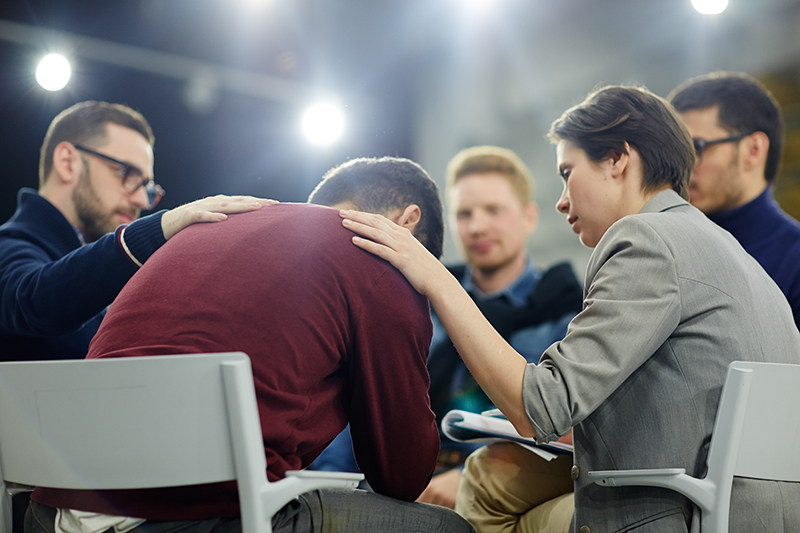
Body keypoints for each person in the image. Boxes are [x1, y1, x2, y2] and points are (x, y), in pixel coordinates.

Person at [340, 86, 800, 532]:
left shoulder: (646, 238)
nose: (561, 201)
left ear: (618, 159)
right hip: (747, 507)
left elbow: (542, 406)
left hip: (678, 510)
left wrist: (436, 277)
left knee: (488, 491)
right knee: (490, 475)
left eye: (566, 172)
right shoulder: (731, 251)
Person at [26, 157, 474, 533]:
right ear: (408, 223)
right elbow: (402, 475)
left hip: (49, 506)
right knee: (449, 528)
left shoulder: (206, 228)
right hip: (192, 515)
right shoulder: (385, 265)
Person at [0, 100, 272, 362]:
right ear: (67, 162)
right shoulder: (9, 246)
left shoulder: (97, 274)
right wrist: (153, 231)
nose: (142, 201)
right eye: (127, 173)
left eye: (147, 187)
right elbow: (33, 301)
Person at [419, 146, 582, 508]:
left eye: (493, 210)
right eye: (464, 214)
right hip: (411, 479)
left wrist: (467, 477)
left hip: (509, 488)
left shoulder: (567, 312)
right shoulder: (424, 305)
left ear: (529, 217)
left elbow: (572, 431)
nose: (477, 227)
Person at [669, 71, 800, 329]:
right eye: (676, 151)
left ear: (753, 150)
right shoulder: (670, 254)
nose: (682, 166)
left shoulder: (794, 263)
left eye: (697, 147)